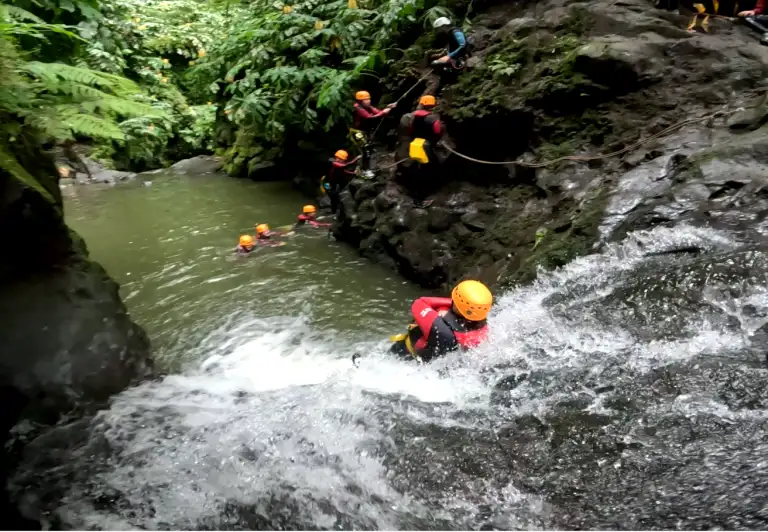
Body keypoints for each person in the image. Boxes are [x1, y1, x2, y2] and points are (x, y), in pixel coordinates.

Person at [390, 280, 492, 363]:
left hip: (404, 356)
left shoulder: (439, 325)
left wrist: (447, 309)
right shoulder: (482, 328)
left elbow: (420, 302)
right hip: (433, 367)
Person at [400, 95, 445, 208]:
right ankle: (420, 199)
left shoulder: (412, 116)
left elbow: (410, 129)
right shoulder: (434, 119)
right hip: (426, 146)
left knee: (415, 167)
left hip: (415, 144)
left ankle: (414, 193)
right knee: (426, 170)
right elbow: (437, 132)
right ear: (433, 105)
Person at [351, 90, 395, 176]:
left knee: (369, 150)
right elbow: (370, 117)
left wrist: (388, 108)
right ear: (360, 101)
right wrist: (384, 112)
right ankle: (363, 170)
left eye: (369, 99)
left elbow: (378, 113)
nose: (368, 101)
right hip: (357, 132)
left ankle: (366, 168)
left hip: (365, 132)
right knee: (365, 151)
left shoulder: (368, 106)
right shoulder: (358, 108)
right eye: (366, 100)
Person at [326, 149, 360, 214]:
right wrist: (355, 159)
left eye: (340, 159)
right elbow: (345, 166)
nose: (338, 160)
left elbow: (343, 171)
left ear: (344, 159)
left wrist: (353, 173)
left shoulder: (340, 165)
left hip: (339, 180)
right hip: (333, 182)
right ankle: (334, 211)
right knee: (333, 197)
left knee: (343, 191)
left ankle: (340, 206)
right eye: (337, 158)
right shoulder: (335, 163)